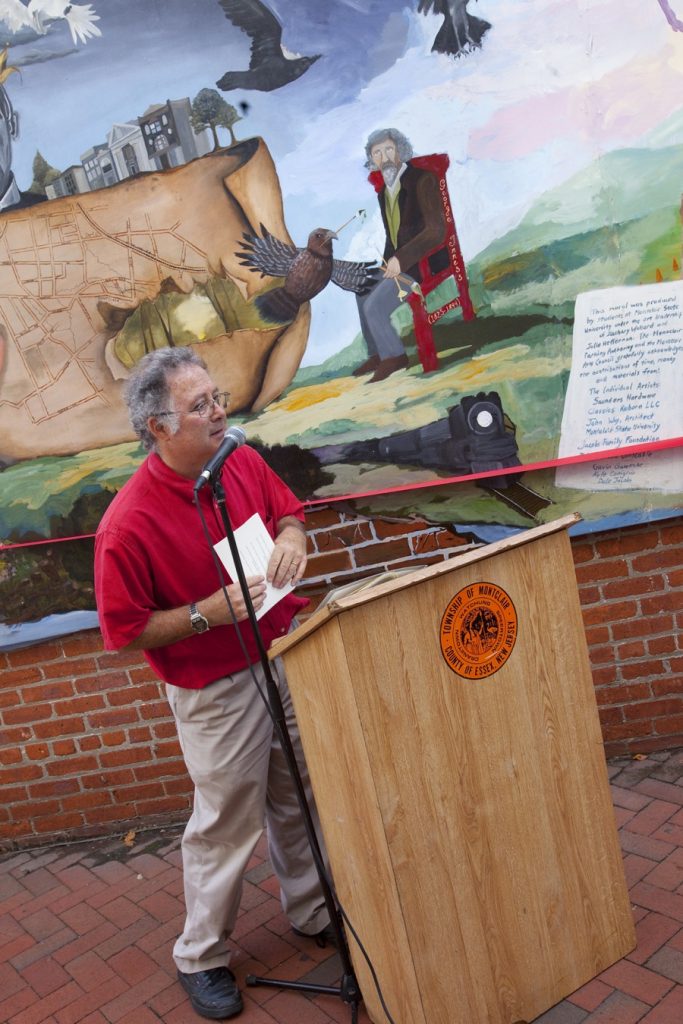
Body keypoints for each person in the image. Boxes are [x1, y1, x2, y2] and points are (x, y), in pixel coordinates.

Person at [94, 346, 331, 1021]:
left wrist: (292, 540)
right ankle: (200, 956)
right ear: (158, 427)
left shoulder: (239, 459)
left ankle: (313, 911)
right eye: (199, 406)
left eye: (216, 396)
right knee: (226, 821)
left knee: (301, 793)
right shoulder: (126, 523)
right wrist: (205, 615)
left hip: (284, 651)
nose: (218, 411)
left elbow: (289, 515)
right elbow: (124, 631)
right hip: (214, 689)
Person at [355, 127, 447, 383]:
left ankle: (395, 356)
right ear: (372, 160)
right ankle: (378, 353)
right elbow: (393, 236)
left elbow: (436, 231)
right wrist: (387, 262)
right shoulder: (385, 192)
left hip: (425, 263)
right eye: (377, 153)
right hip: (403, 263)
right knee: (361, 288)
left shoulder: (422, 180)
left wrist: (401, 259)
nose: (384, 157)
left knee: (375, 306)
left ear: (400, 151)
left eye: (388, 149)